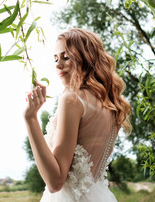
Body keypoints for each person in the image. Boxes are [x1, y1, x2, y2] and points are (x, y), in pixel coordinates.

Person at [23, 28, 132, 201]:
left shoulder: (71, 99)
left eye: (66, 57)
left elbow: (55, 182)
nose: (58, 65)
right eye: (56, 59)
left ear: (86, 57)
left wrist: (30, 119)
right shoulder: (112, 105)